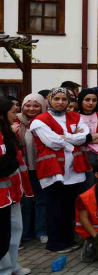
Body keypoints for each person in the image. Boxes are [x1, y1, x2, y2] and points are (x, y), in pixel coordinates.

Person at [30, 88, 94, 253]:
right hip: (54, 171)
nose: (60, 102)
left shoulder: (75, 116)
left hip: (74, 170)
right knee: (55, 207)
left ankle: (68, 240)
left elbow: (86, 136)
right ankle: (55, 243)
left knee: (68, 208)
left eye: (64, 99)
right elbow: (52, 142)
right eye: (56, 98)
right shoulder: (39, 120)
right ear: (49, 100)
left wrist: (65, 138)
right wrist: (73, 137)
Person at [0, 98, 33, 275]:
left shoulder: (8, 131)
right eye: (13, 112)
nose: (16, 116)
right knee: (3, 235)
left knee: (15, 230)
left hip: (13, 191)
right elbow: (5, 164)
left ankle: (12, 265)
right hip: (2, 195)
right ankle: (4, 269)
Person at [15, 94, 47, 245]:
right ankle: (24, 233)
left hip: (42, 167)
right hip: (22, 169)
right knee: (25, 202)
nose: (31, 109)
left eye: (36, 106)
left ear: (42, 107)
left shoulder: (45, 121)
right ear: (22, 106)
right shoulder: (15, 121)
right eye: (28, 105)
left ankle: (41, 231)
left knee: (42, 200)